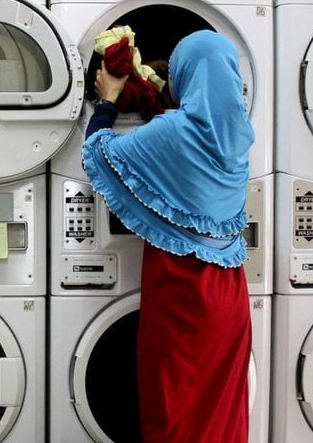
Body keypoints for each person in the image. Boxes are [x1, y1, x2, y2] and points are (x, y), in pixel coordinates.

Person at [83, 30, 254, 442]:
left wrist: (107, 100)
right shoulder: (238, 136)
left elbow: (98, 155)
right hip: (229, 295)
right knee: (221, 417)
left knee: (172, 407)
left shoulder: (175, 133)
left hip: (183, 294)